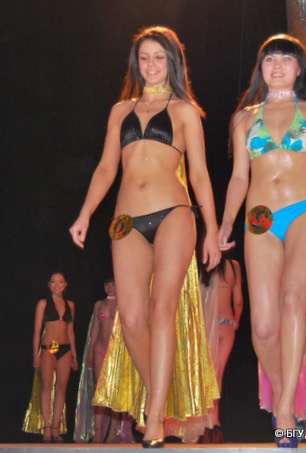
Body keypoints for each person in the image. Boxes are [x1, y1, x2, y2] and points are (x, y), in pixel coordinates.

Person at [69, 26, 220, 448]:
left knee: (161, 310)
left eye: (158, 57)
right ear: (136, 64)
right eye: (144, 57)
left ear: (172, 61)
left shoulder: (185, 111)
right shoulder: (121, 110)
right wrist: (84, 214)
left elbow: (199, 174)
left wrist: (211, 229)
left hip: (174, 213)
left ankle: (153, 419)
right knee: (132, 317)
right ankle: (158, 395)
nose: (151, 64)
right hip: (126, 220)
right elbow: (106, 168)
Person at [217, 34, 306, 447]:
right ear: (260, 69)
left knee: (292, 298)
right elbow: (239, 177)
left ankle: (284, 412)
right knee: (263, 328)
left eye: (286, 59)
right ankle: (286, 394)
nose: (277, 66)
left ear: (299, 69)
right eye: (270, 60)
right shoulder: (244, 118)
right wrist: (226, 222)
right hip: (260, 219)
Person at [196, 233, 244, 444]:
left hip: (205, 324)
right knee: (217, 374)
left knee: (203, 374)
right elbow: (238, 301)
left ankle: (203, 421)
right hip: (226, 324)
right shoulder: (234, 267)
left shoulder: (202, 263)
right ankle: (213, 420)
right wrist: (236, 321)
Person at [74, 278, 134, 443]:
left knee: (115, 390)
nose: (109, 287)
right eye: (106, 284)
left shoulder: (123, 303)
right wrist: (91, 352)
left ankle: (113, 431)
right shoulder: (98, 305)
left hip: (116, 351)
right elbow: (95, 328)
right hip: (100, 348)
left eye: (113, 283)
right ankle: (98, 431)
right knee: (99, 390)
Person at [23, 271, 78, 443]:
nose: (57, 285)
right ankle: (46, 426)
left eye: (60, 282)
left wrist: (75, 355)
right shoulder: (43, 303)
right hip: (49, 347)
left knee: (62, 387)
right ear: (49, 285)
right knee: (46, 385)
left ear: (65, 284)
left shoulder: (70, 304)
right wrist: (36, 355)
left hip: (65, 348)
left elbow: (71, 331)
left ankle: (55, 427)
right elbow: (37, 331)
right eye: (53, 282)